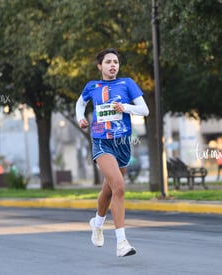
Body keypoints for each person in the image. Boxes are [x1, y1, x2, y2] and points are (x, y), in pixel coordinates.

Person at [75, 48, 149, 257]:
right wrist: (81, 118)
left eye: (115, 62)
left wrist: (124, 107)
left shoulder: (128, 84)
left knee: (109, 190)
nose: (113, 65)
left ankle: (97, 224)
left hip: (123, 142)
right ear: (100, 66)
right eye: (108, 62)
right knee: (119, 187)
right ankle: (121, 242)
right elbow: (80, 105)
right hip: (102, 142)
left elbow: (145, 110)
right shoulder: (92, 86)